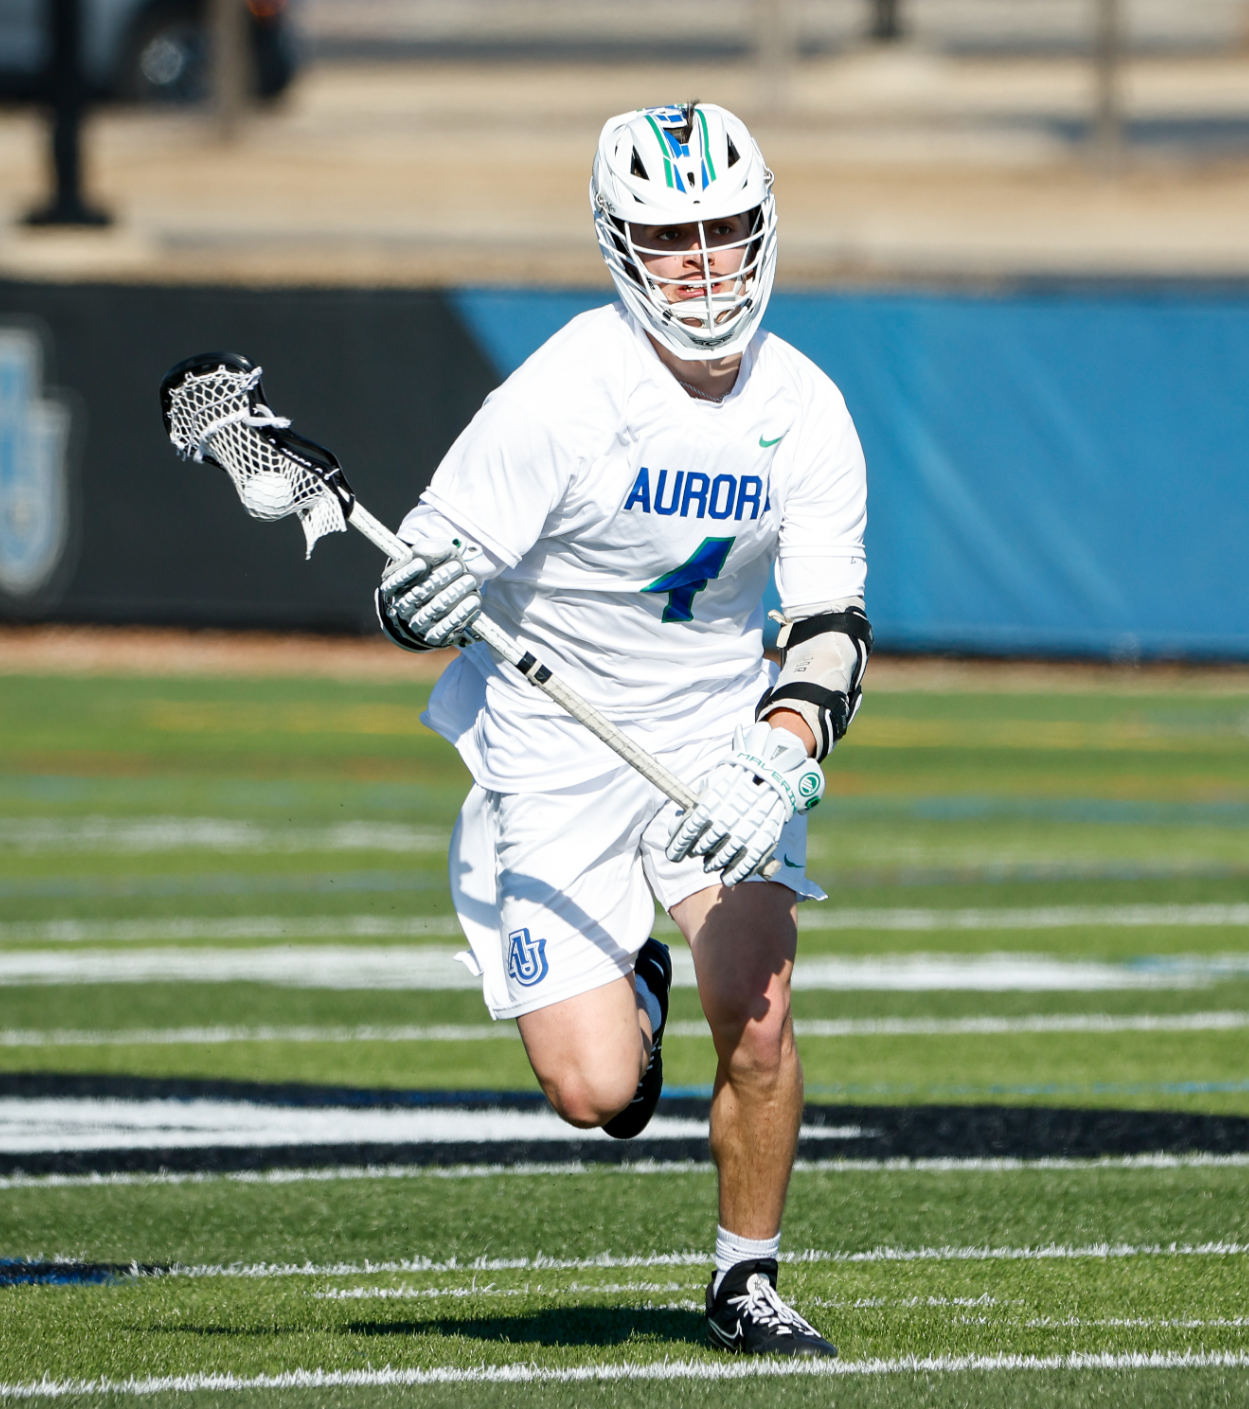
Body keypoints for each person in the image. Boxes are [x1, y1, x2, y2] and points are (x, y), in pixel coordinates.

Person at [373, 102, 869, 1359]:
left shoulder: (805, 407)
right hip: (553, 742)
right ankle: (626, 998)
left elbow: (829, 626)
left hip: (719, 727)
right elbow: (426, 564)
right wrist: (415, 596)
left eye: (723, 233)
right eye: (670, 240)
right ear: (617, 247)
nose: (702, 267)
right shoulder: (559, 393)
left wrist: (782, 751)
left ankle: (744, 1276)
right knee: (594, 1091)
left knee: (756, 1012)